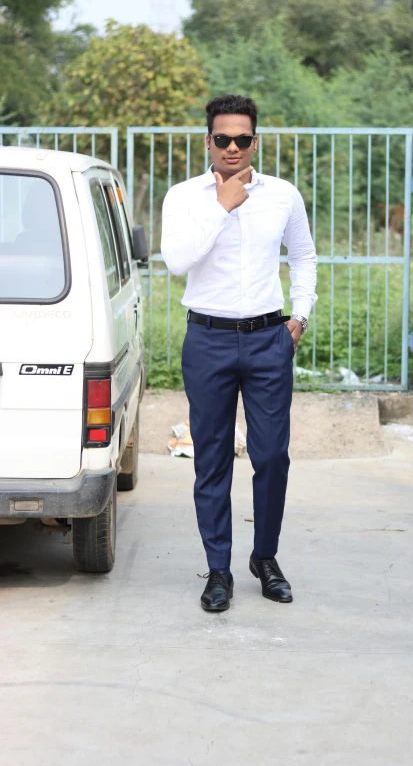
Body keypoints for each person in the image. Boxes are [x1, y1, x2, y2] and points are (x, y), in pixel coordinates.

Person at [161, 95, 318, 612]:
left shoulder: (282, 195)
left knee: (272, 455)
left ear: (255, 141)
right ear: (208, 141)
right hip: (207, 339)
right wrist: (222, 205)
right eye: (222, 138)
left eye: (242, 139)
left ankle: (265, 557)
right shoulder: (185, 197)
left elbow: (303, 255)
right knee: (212, 461)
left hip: (269, 338)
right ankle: (220, 570)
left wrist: (300, 315)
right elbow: (178, 261)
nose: (232, 147)